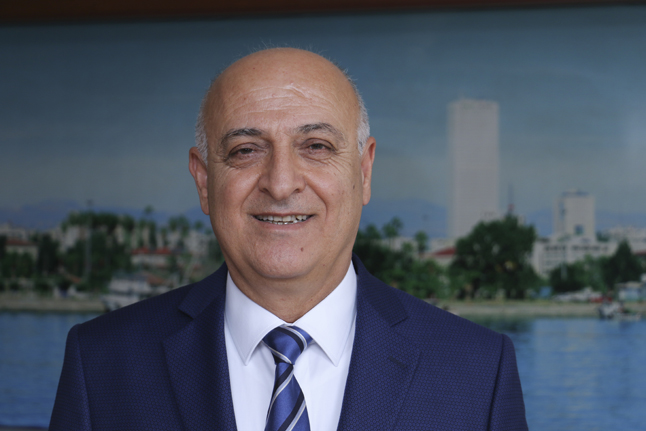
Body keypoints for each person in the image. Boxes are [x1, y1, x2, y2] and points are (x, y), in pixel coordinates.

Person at [50, 48, 528, 431]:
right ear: (204, 180)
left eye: (316, 146)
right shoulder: (102, 364)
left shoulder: (477, 370)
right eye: (246, 150)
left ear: (364, 172)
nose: (280, 184)